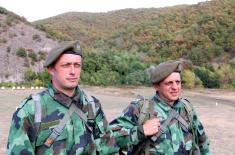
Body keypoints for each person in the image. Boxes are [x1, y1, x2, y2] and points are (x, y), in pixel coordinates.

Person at [7, 41, 118, 155]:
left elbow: (109, 150)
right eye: (66, 65)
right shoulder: (30, 110)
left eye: (77, 65)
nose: (73, 72)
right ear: (51, 69)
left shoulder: (93, 105)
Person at [110, 60, 211, 155]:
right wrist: (141, 131)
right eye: (169, 83)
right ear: (156, 86)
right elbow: (109, 139)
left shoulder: (187, 108)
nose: (175, 87)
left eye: (178, 82)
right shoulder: (141, 108)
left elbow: (202, 142)